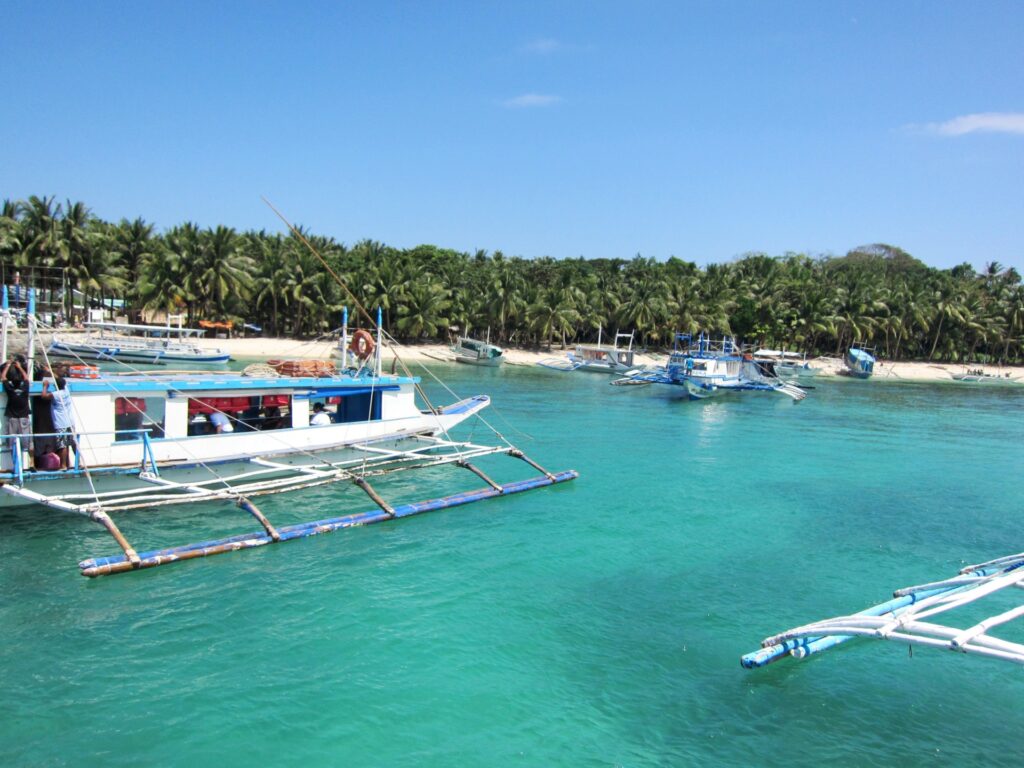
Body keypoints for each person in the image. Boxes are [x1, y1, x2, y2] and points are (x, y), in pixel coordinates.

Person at [40, 367, 75, 470]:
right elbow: (59, 380)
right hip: (70, 422)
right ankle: (78, 463)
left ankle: (63, 465)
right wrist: (49, 371)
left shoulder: (55, 394)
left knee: (62, 445)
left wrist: (45, 386)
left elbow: (43, 396)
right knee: (73, 443)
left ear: (56, 386)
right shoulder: (66, 391)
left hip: (61, 424)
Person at [2, 356, 33, 469]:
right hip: (24, 418)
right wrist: (19, 367)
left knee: (12, 443)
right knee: (28, 442)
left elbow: (3, 377)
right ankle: (32, 463)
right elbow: (26, 378)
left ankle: (15, 465)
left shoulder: (10, 390)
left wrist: (7, 365)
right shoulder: (25, 389)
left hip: (13, 419)